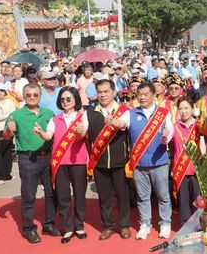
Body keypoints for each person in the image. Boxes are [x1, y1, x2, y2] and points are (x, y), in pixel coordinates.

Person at [116, 82, 174, 240]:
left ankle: (165, 223)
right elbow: (121, 123)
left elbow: (170, 131)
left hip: (160, 162)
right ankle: (145, 224)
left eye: (145, 94)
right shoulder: (131, 113)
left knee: (163, 195)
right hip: (139, 164)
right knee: (142, 196)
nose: (142, 97)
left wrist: (165, 138)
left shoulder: (163, 113)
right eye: (139, 94)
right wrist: (113, 122)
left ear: (154, 95)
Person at [3, 84, 59, 243]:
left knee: (51, 193)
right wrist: (9, 129)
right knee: (29, 195)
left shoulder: (49, 113)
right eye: (29, 95)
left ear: (40, 96)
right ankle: (29, 229)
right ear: (24, 96)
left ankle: (48, 224)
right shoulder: (16, 115)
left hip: (47, 157)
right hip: (27, 159)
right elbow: (6, 136)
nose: (32, 97)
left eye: (35, 94)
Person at [36, 86, 89, 243]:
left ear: (75, 100)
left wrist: (80, 131)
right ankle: (68, 228)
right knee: (63, 196)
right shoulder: (55, 119)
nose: (65, 102)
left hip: (78, 161)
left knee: (79, 195)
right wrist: (41, 132)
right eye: (63, 99)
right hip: (59, 163)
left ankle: (79, 225)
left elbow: (81, 137)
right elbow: (48, 136)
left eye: (68, 99)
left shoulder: (82, 117)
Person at [85, 79, 132, 240]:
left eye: (106, 91)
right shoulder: (90, 112)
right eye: (100, 92)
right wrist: (78, 131)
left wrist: (114, 122)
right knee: (104, 197)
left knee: (122, 195)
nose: (103, 95)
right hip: (100, 162)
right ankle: (108, 226)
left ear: (113, 92)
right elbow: (82, 132)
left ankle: (124, 226)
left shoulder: (124, 110)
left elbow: (123, 123)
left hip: (120, 161)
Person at [170, 96, 200, 225]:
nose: (183, 111)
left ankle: (199, 224)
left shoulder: (199, 126)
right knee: (183, 201)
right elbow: (169, 145)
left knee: (198, 199)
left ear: (193, 109)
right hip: (180, 169)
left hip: (197, 169)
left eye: (186, 108)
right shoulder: (174, 127)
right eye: (180, 108)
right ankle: (185, 226)